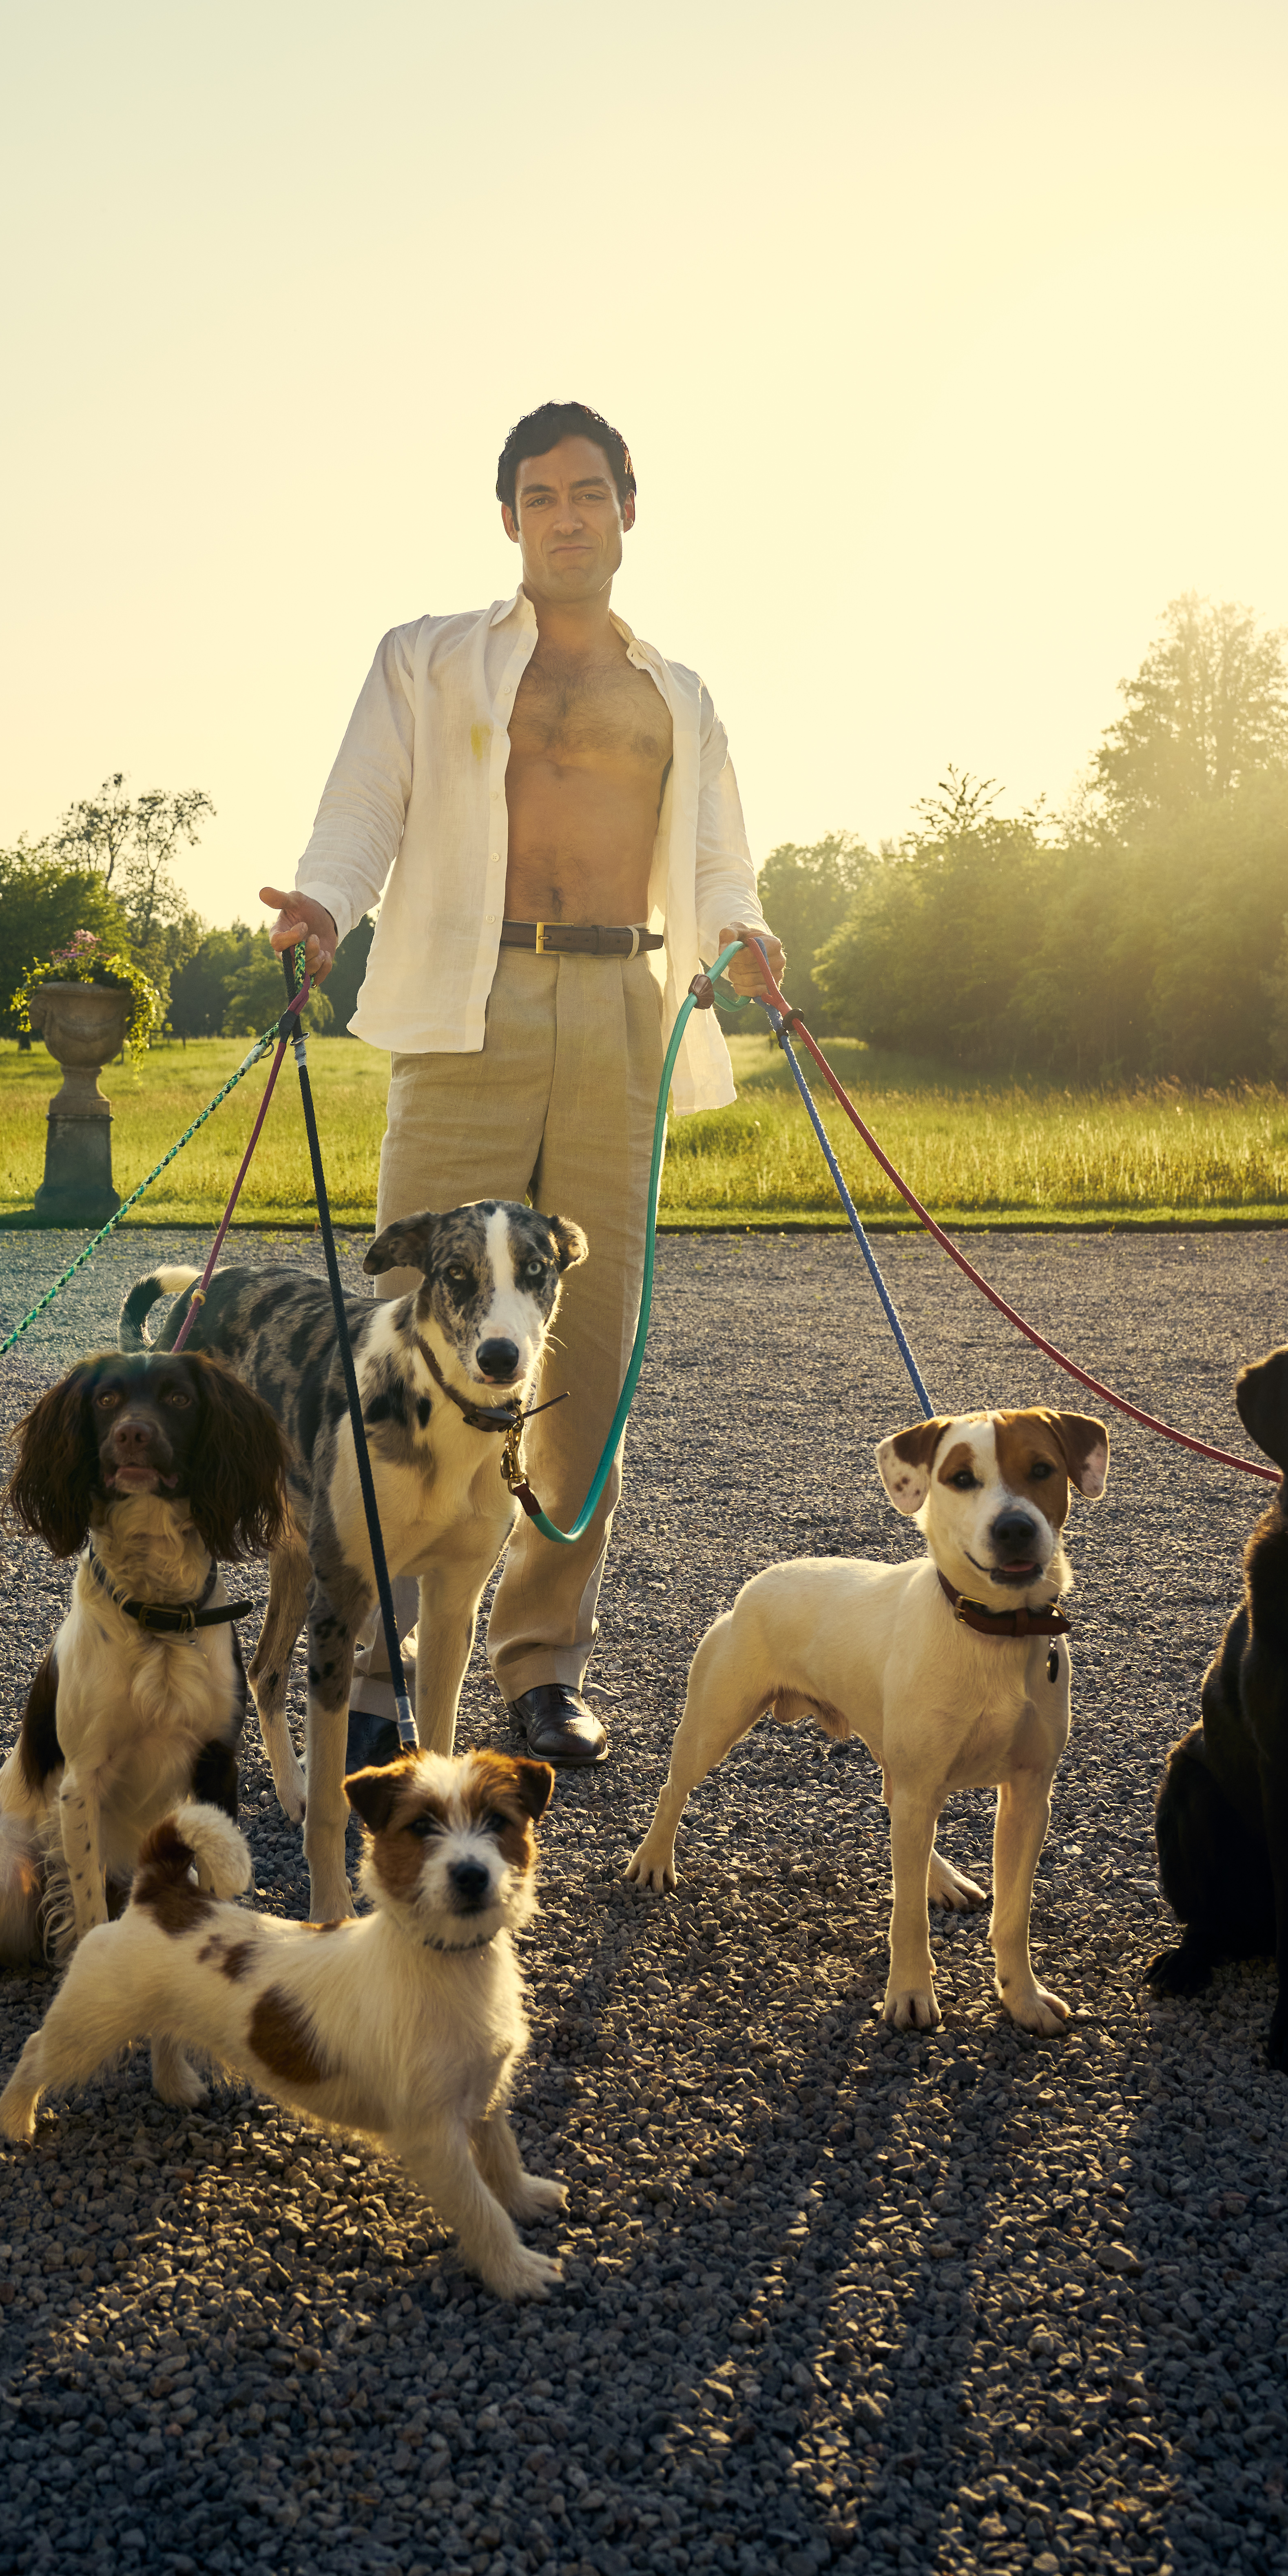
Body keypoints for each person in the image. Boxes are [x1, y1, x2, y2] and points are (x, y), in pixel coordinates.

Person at [260, 401, 782, 1766]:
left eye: (591, 492)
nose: (568, 514)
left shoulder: (679, 694)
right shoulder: (427, 661)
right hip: (466, 1001)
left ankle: (541, 1664)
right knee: (408, 1339)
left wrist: (743, 933)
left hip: (621, 1004)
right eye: (542, 495)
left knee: (587, 1356)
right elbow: (361, 809)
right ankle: (374, 1662)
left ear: (627, 510)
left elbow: (720, 859)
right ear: (509, 519)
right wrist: (321, 907)